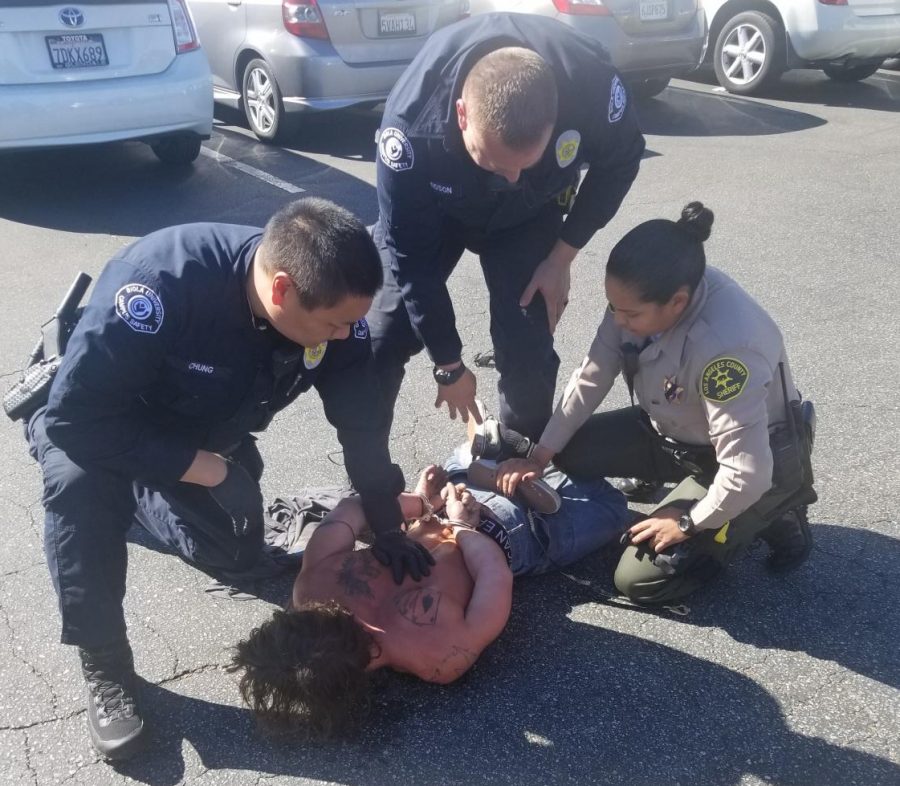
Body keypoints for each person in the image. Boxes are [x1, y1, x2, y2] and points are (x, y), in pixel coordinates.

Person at [24, 198, 433, 760]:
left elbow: (363, 429)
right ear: (283, 289)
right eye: (335, 324)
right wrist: (203, 468)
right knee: (81, 495)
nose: (344, 335)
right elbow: (75, 422)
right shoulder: (158, 289)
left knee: (237, 555)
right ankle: (105, 663)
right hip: (100, 419)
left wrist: (387, 527)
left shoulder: (333, 312)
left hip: (205, 430)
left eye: (352, 322)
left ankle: (144, 496)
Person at [493, 202, 817, 606]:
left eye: (629, 314)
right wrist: (540, 456)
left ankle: (776, 512)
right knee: (569, 450)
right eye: (613, 306)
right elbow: (592, 375)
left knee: (637, 579)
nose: (618, 320)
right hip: (672, 430)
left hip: (735, 462)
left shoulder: (728, 350)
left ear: (678, 303)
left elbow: (747, 471)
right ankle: (669, 483)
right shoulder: (642, 294)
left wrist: (687, 521)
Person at [368, 13, 646, 442]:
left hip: (530, 213)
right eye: (496, 163)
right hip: (438, 208)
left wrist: (562, 255)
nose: (509, 178)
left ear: (555, 120)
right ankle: (372, 480)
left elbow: (622, 161)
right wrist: (448, 364)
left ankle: (517, 464)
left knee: (527, 345)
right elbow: (411, 257)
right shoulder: (409, 126)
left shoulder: (587, 84)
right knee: (383, 334)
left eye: (524, 163)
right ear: (461, 115)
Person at [230, 456, 628, 737]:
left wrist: (436, 512)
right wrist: (435, 512)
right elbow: (353, 511)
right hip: (479, 519)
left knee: (609, 505)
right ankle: (494, 459)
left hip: (491, 527)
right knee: (607, 500)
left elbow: (495, 576)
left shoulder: (437, 659)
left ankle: (499, 461)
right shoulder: (314, 588)